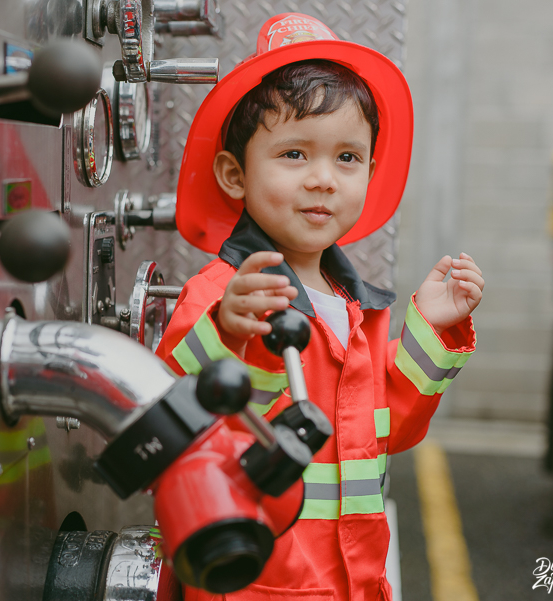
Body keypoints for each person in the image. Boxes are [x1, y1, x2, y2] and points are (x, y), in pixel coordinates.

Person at [155, 12, 483, 601]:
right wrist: (232, 336)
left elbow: (391, 432)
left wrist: (429, 328)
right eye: (294, 155)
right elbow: (181, 425)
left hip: (354, 584)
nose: (324, 179)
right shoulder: (219, 295)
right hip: (253, 588)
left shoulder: (360, 310)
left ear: (371, 173)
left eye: (347, 159)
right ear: (235, 174)